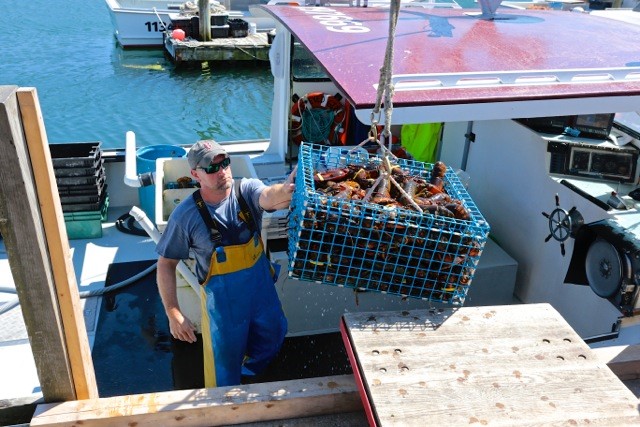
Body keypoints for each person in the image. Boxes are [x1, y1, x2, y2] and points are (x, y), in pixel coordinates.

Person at [155, 139, 296, 388]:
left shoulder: (246, 191)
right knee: (224, 365)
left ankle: (251, 375)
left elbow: (269, 197)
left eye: (225, 163)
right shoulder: (185, 216)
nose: (222, 172)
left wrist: (285, 191)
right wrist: (174, 313)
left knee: (275, 334)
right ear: (195, 174)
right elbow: (166, 264)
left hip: (261, 294)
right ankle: (226, 403)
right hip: (223, 308)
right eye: (212, 168)